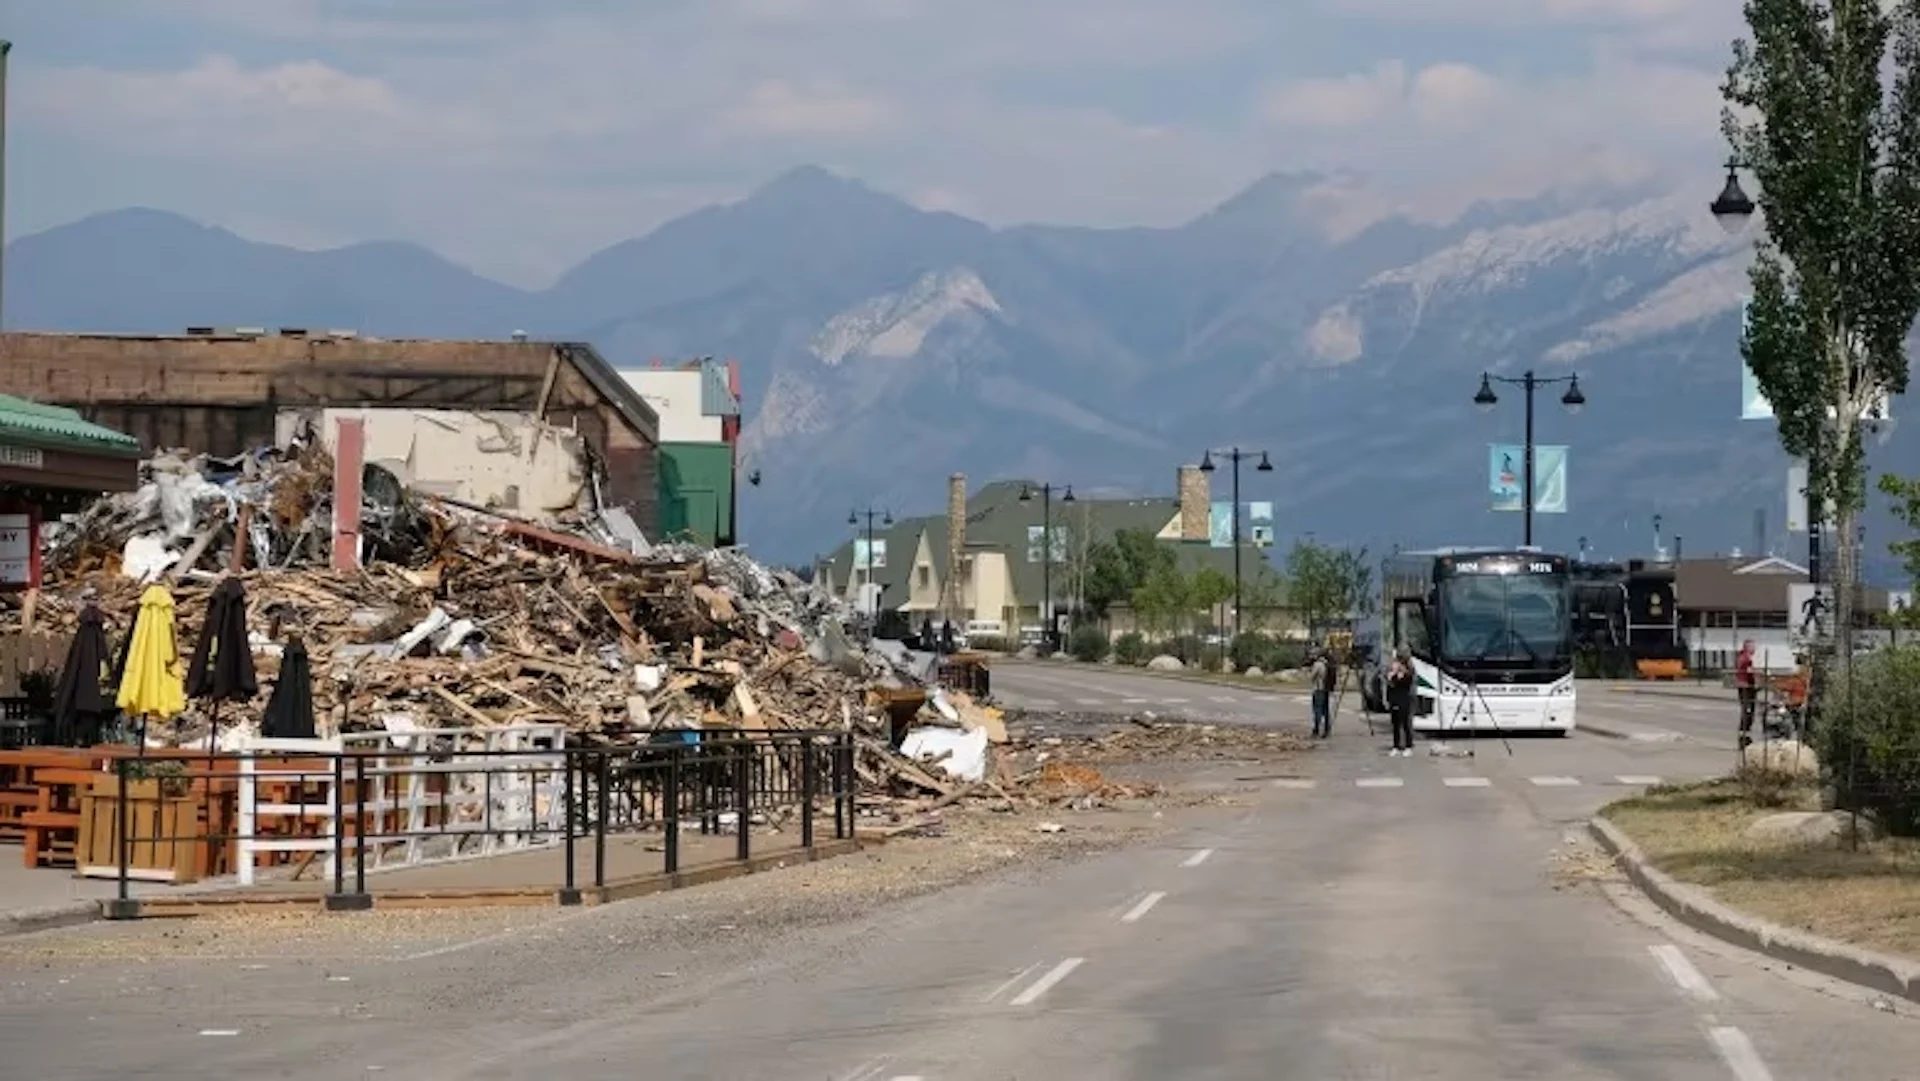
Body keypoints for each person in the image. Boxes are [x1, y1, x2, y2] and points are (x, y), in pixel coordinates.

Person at [1385, 645, 1416, 757]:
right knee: (1395, 723)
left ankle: (1408, 745)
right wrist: (1392, 674)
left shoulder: (1409, 668)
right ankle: (1396, 746)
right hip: (1394, 697)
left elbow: (1408, 681)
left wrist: (1402, 672)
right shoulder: (1393, 666)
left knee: (1406, 722)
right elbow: (1389, 680)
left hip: (1405, 697)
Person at [1734, 638, 1757, 747]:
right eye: (1753, 646)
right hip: (1747, 687)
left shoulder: (1740, 656)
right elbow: (1750, 674)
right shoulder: (1747, 658)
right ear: (1748, 647)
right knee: (1748, 712)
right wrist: (1756, 683)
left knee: (1746, 711)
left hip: (1742, 686)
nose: (1755, 649)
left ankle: (1743, 737)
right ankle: (1744, 738)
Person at [1309, 648, 1332, 739]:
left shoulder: (1318, 665)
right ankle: (1327, 729)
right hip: (1326, 689)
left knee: (1317, 710)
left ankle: (1316, 730)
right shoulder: (1326, 664)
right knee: (1325, 710)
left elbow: (1312, 677)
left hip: (1318, 689)